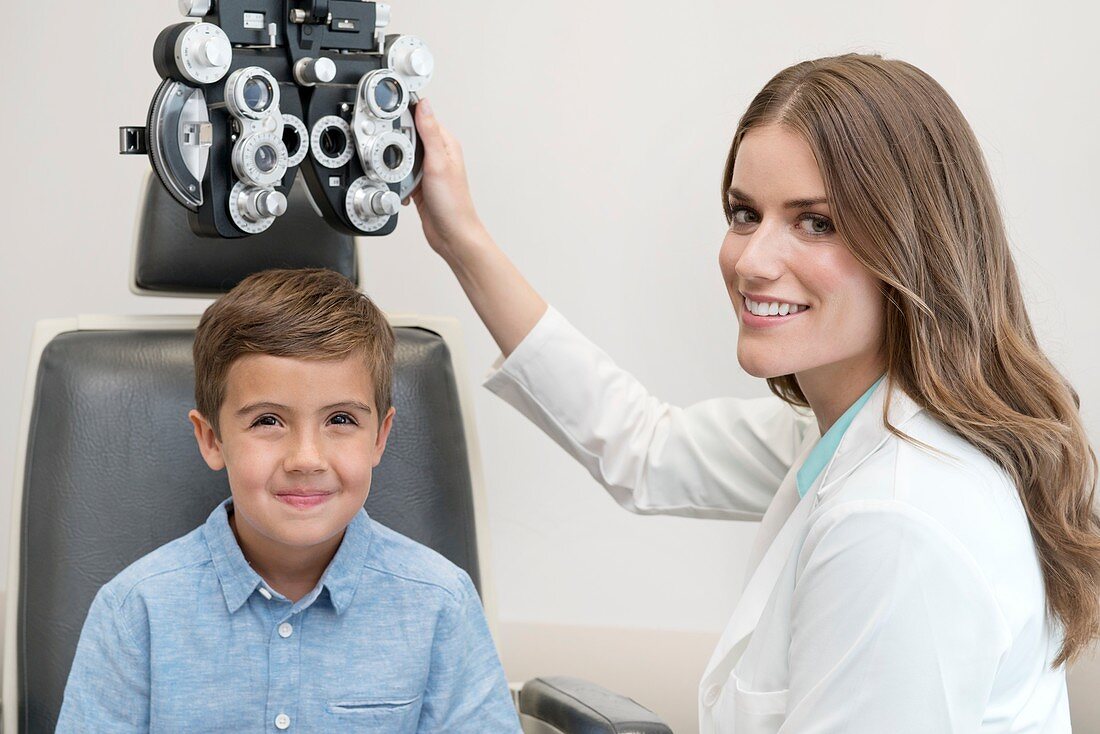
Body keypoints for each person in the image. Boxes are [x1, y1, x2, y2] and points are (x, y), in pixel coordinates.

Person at [408, 53, 1100, 732]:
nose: (752, 260)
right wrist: (461, 238)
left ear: (912, 246)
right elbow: (649, 449)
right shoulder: (857, 432)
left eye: (816, 222)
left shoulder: (896, 520)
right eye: (745, 214)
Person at [56, 268, 521, 733]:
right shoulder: (135, 610)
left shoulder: (440, 603)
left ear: (380, 438)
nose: (306, 459)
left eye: (340, 418)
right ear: (212, 439)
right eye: (267, 422)